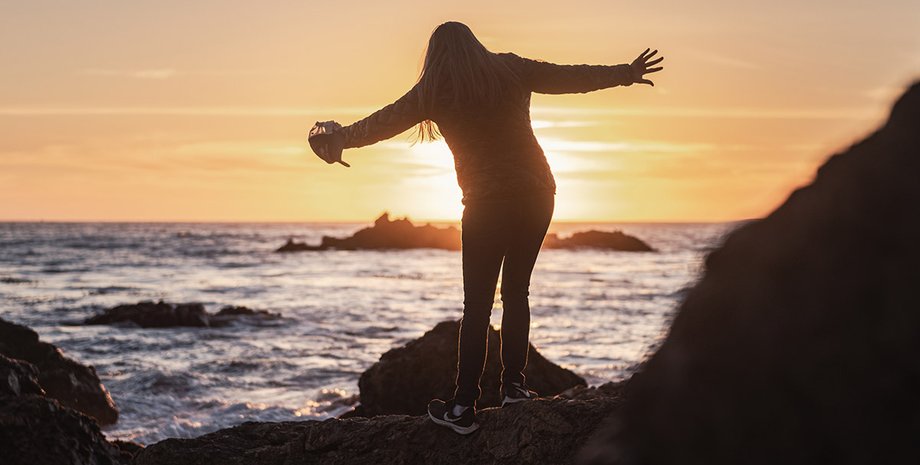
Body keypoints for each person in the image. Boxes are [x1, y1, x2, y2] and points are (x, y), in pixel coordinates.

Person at [314, 21, 663, 435]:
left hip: (486, 204)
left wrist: (335, 140)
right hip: (538, 195)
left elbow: (379, 124)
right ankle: (515, 388)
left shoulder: (434, 91)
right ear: (475, 45)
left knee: (476, 307)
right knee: (517, 292)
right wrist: (625, 72)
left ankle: (464, 408)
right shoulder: (510, 68)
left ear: (435, 56)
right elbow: (570, 77)